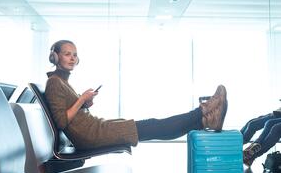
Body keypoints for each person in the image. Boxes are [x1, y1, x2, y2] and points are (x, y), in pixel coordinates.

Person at [44, 39, 228, 150]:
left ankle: (205, 120)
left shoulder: (62, 81)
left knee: (155, 127)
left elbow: (70, 114)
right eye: (67, 54)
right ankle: (203, 111)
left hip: (94, 129)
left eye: (75, 54)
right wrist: (82, 99)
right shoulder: (54, 82)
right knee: (155, 126)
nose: (72, 58)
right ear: (55, 57)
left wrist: (85, 104)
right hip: (91, 135)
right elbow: (61, 121)